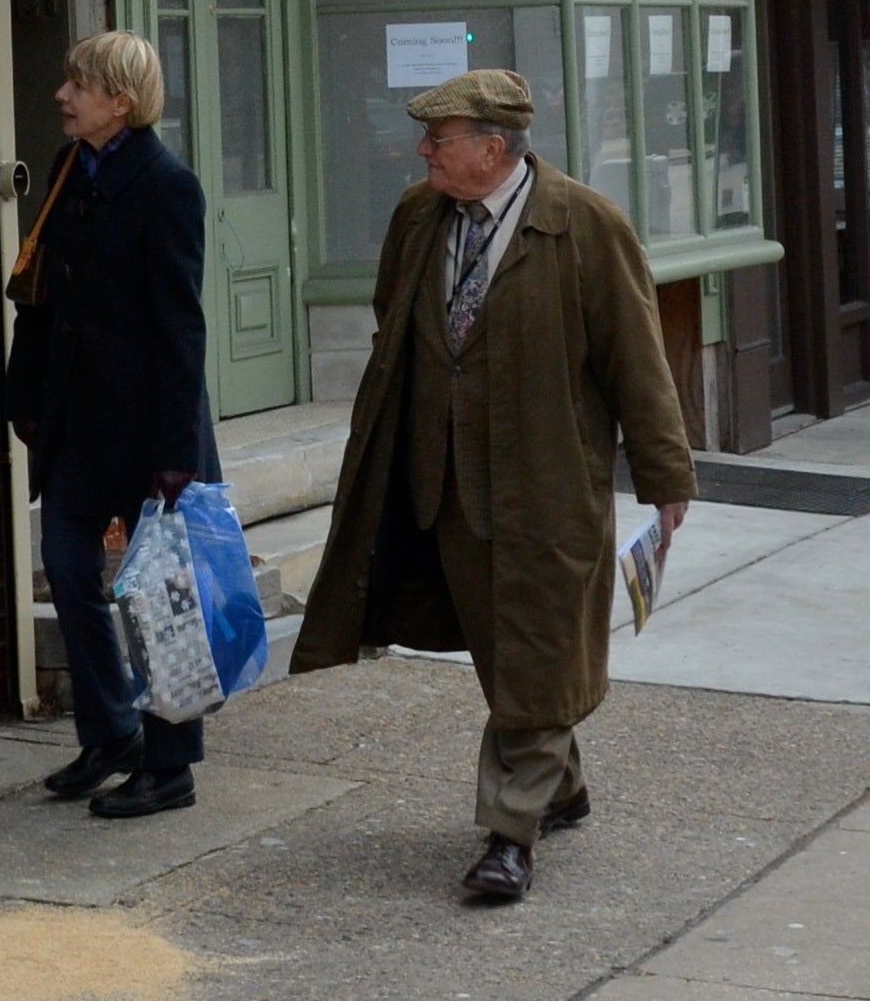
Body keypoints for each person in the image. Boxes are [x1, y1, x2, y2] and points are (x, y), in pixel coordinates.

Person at [291, 68, 693, 906]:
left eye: (439, 140)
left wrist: (667, 480)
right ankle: (560, 783)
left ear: (492, 147)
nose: (423, 152)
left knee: (538, 646)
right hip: (441, 485)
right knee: (510, 653)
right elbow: (394, 324)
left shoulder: (585, 227)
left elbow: (639, 366)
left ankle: (509, 834)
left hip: (547, 488)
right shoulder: (417, 217)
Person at [0, 31, 219, 819]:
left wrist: (173, 453)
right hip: (73, 416)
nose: (62, 95)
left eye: (78, 84)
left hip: (147, 426)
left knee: (159, 594)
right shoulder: (66, 172)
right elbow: (39, 297)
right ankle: (111, 732)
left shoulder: (167, 187)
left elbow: (181, 328)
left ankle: (170, 764)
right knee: (66, 564)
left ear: (119, 101)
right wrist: (24, 397)